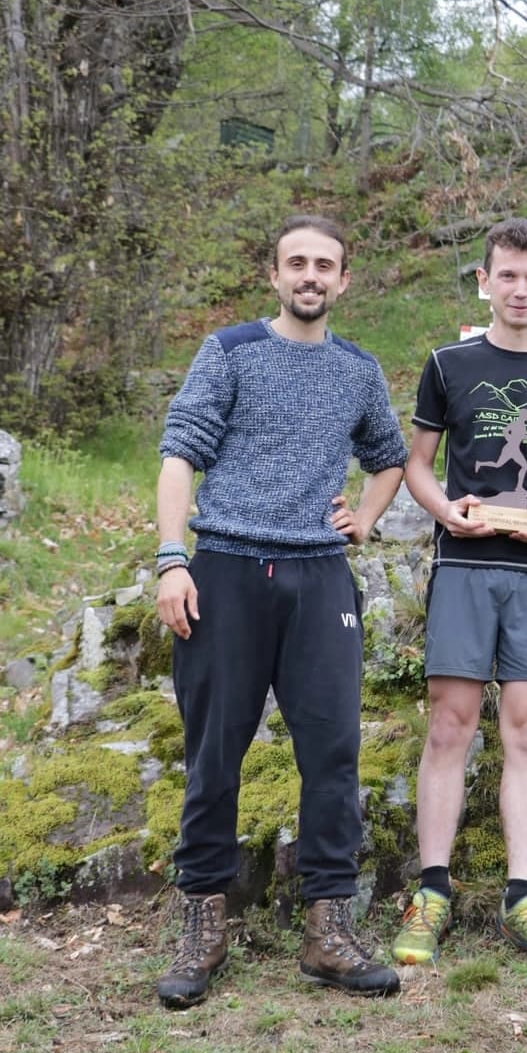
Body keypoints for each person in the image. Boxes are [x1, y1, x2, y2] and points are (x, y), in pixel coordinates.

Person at [154, 213, 407, 1006]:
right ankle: (203, 923)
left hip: (320, 577)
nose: (310, 275)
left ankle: (328, 931)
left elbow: (390, 456)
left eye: (324, 265)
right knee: (213, 753)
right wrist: (171, 560)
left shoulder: (360, 371)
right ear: (274, 274)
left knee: (332, 754)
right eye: (296, 262)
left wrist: (364, 518)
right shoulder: (229, 352)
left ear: (343, 280)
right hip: (224, 570)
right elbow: (179, 454)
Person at [392, 218, 527, 967]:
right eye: (506, 275)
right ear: (483, 281)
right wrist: (442, 509)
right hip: (463, 562)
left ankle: (523, 899)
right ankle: (432, 894)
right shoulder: (447, 364)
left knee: (526, 732)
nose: (520, 289)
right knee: (449, 725)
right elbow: (418, 461)